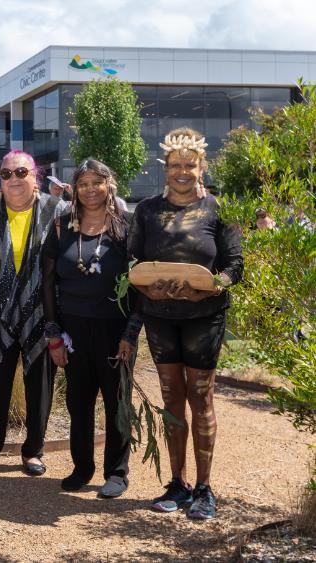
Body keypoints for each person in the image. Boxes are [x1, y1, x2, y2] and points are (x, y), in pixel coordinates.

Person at [128, 127, 243, 520]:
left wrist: (210, 288)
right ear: (165, 168)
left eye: (189, 165)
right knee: (171, 399)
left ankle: (205, 489)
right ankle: (178, 484)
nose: (181, 172)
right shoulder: (145, 211)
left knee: (201, 398)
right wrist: (147, 289)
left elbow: (234, 267)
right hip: (160, 318)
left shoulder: (218, 209)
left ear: (201, 166)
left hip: (204, 319)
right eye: (175, 165)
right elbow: (131, 264)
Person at [0, 150, 68, 476]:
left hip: (42, 313)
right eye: (6, 174)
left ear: (35, 176)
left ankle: (33, 451)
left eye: (21, 172)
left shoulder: (57, 213)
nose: (13, 179)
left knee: (39, 386)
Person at [42, 158, 142, 497]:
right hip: (74, 331)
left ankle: (117, 472)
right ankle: (82, 467)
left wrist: (131, 334)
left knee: (117, 402)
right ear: (75, 188)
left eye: (96, 182)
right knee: (78, 401)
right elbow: (47, 282)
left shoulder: (128, 227)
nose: (90, 190)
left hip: (116, 331)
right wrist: (54, 333)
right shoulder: (61, 227)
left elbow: (142, 284)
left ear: (109, 184)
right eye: (83, 183)